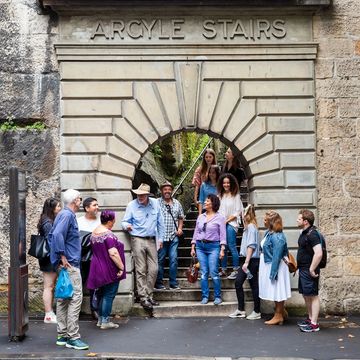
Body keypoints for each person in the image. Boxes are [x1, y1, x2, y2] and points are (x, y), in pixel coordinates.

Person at [48, 189, 89, 350]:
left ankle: (62, 335)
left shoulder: (62, 214)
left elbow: (53, 235)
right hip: (70, 264)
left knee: (64, 298)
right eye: (80, 199)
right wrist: (62, 256)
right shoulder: (67, 215)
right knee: (74, 298)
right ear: (75, 201)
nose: (81, 201)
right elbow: (57, 234)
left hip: (65, 263)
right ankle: (73, 337)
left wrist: (59, 257)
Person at [122, 183, 165, 311]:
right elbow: (124, 221)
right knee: (141, 269)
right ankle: (143, 297)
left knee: (154, 269)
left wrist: (161, 239)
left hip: (151, 239)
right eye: (138, 194)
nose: (139, 197)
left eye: (142, 195)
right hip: (137, 239)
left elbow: (160, 222)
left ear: (147, 195)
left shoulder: (155, 203)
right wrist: (127, 226)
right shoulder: (132, 205)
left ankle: (149, 294)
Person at [87, 210, 126, 330]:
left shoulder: (94, 233)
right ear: (110, 221)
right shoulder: (108, 235)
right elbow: (113, 253)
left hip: (96, 267)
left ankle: (100, 320)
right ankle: (105, 320)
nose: (114, 222)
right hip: (108, 269)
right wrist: (121, 267)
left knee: (101, 294)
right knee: (109, 295)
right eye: (113, 220)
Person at [191, 194, 226, 305]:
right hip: (200, 246)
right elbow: (196, 232)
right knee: (204, 273)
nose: (204, 203)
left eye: (207, 201)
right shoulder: (201, 217)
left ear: (213, 204)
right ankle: (205, 296)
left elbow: (223, 235)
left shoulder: (220, 217)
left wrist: (222, 249)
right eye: (205, 201)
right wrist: (193, 246)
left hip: (213, 247)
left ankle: (217, 296)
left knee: (214, 272)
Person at [259, 211, 291, 326]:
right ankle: (281, 312)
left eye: (265, 220)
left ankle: (278, 315)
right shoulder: (269, 233)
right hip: (269, 264)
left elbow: (277, 256)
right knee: (275, 289)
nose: (263, 221)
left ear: (271, 222)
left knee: (278, 289)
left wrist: (273, 272)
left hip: (275, 266)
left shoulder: (278, 236)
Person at [229, 204, 261, 320]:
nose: (242, 216)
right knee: (239, 283)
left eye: (243, 214)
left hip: (250, 261)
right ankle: (241, 310)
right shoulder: (248, 228)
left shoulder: (251, 227)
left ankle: (257, 311)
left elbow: (251, 246)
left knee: (253, 285)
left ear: (247, 215)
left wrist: (246, 263)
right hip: (248, 261)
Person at [296, 209, 323, 333]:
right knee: (306, 294)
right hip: (303, 269)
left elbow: (318, 253)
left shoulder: (313, 234)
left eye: (299, 218)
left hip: (309, 269)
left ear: (305, 221)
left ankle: (314, 324)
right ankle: (310, 318)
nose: (297, 220)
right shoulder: (304, 233)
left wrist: (312, 269)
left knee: (313, 295)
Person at [155, 181, 184, 290]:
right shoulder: (157, 202)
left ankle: (173, 283)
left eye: (169, 189)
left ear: (172, 190)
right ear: (161, 191)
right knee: (160, 260)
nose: (167, 191)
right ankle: (159, 283)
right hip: (161, 237)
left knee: (173, 259)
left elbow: (181, 217)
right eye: (165, 189)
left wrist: (180, 228)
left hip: (173, 236)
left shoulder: (177, 203)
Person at [37, 197, 62, 324]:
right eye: (58, 206)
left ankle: (50, 312)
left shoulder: (48, 220)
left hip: (49, 257)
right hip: (48, 258)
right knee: (49, 286)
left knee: (51, 286)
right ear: (52, 208)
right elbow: (50, 240)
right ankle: (48, 314)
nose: (60, 208)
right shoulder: (47, 222)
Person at [77, 197, 100, 320]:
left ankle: (94, 309)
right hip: (81, 257)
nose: (97, 207)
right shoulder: (78, 221)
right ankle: (75, 309)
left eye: (97, 205)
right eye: (94, 205)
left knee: (95, 284)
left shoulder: (100, 221)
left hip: (97, 257)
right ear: (86, 208)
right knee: (79, 283)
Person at [217, 173, 244, 280]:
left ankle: (236, 270)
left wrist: (226, 221)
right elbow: (218, 210)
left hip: (231, 223)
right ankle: (223, 270)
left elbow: (238, 211)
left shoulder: (236, 195)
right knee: (223, 246)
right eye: (224, 183)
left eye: (228, 182)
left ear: (231, 183)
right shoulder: (220, 195)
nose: (226, 184)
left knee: (231, 246)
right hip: (222, 223)